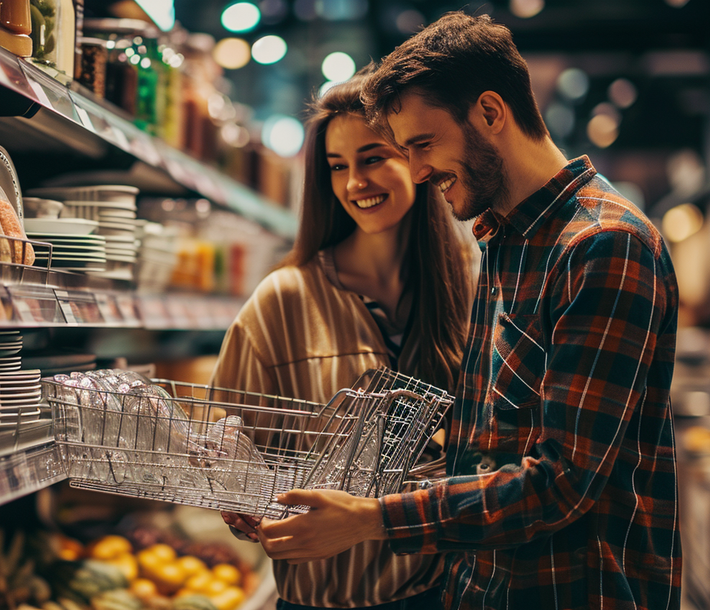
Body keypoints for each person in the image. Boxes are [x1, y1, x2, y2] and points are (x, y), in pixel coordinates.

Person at [255, 12, 681, 610]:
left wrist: (371, 519)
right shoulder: (503, 238)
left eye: (423, 145)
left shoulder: (603, 246)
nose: (420, 170)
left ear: (489, 112)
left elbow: (562, 483)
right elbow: (494, 444)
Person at [208, 67, 473, 609]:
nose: (355, 183)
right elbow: (225, 445)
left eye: (373, 158)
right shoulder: (283, 301)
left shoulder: (467, 289)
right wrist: (240, 497)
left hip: (443, 594)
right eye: (337, 167)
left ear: (416, 161)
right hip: (325, 600)